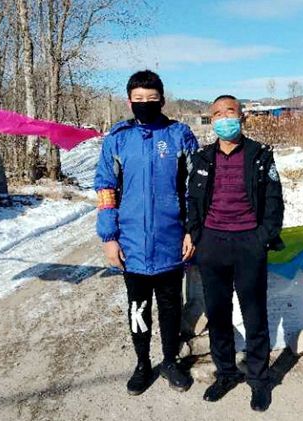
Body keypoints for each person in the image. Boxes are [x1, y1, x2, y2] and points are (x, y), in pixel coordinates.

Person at [95, 70, 198, 395]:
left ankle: (170, 360)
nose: (145, 103)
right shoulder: (117, 139)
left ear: (162, 100)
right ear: (129, 101)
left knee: (170, 307)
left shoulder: (179, 135)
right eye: (138, 99)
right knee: (138, 308)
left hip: (171, 242)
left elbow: (195, 188)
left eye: (151, 99)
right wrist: (109, 238)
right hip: (132, 244)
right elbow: (105, 189)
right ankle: (142, 364)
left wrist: (191, 231)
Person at [186, 95, 285, 412]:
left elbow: (274, 200)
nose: (223, 118)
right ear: (211, 120)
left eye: (229, 111)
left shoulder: (260, 155)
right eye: (217, 114)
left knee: (254, 315)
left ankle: (259, 379)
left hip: (248, 244)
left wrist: (262, 237)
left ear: (241, 117)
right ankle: (226, 373)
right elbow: (192, 201)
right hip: (212, 245)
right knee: (218, 314)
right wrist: (196, 235)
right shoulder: (202, 158)